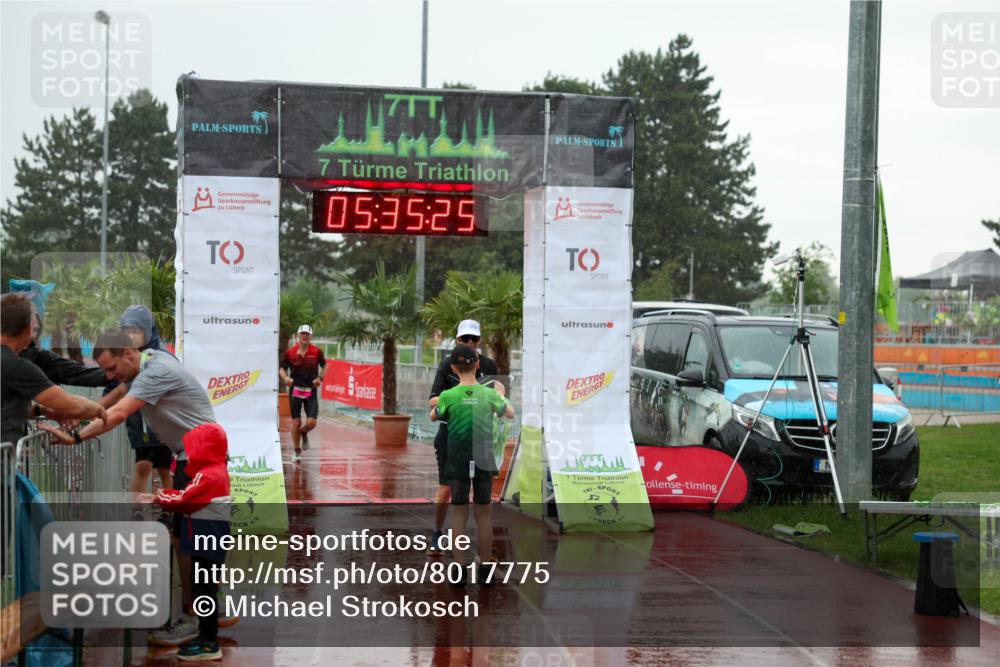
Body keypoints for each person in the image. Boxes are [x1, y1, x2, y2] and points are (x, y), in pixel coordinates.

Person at [38, 329, 228, 648]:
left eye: (111, 368)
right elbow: (113, 397)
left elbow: (119, 412)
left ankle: (195, 618)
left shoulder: (155, 372)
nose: (109, 376)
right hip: (190, 458)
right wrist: (81, 413)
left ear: (128, 353)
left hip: (196, 461)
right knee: (187, 540)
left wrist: (76, 437)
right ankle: (201, 610)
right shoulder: (150, 360)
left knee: (192, 544)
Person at [139, 423, 230, 662]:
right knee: (202, 588)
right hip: (206, 537)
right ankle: (205, 637)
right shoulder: (211, 470)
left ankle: (209, 642)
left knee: (204, 591)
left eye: (195, 448)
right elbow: (187, 496)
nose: (190, 454)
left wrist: (160, 498)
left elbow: (187, 499)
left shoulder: (209, 474)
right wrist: (164, 497)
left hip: (208, 538)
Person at [430, 344, 514, 584]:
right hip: (484, 458)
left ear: (454, 368)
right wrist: (500, 395)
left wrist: (442, 409)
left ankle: (459, 569)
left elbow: (434, 415)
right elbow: (509, 413)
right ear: (478, 364)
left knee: (459, 513)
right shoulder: (489, 395)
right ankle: (486, 567)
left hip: (457, 458)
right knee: (484, 513)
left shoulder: (448, 395)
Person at [427, 319, 500, 554]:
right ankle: (437, 533)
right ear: (457, 340)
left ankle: (484, 553)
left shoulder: (489, 365)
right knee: (446, 489)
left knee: (482, 500)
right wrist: (462, 398)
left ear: (479, 341)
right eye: (464, 339)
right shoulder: (447, 364)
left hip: (480, 437)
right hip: (451, 434)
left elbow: (499, 399)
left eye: (474, 339)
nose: (469, 343)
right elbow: (432, 400)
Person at [1, 293, 106, 445]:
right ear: (28, 329)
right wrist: (99, 409)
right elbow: (71, 405)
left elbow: (6, 408)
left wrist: (43, 411)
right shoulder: (16, 367)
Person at [116, 306, 174, 495]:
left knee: (165, 468)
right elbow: (114, 388)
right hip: (138, 421)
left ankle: (170, 509)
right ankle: (138, 510)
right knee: (143, 466)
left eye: (136, 331)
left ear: (147, 331)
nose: (132, 336)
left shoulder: (164, 357)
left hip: (162, 421)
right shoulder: (122, 357)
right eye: (128, 332)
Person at [279, 324, 326, 463]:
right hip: (295, 390)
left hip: (310, 390)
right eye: (302, 334)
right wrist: (286, 378)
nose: (305, 336)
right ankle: (297, 451)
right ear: (298, 335)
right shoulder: (290, 352)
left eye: (307, 334)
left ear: (311, 336)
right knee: (296, 422)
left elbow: (325, 366)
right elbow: (282, 368)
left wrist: (320, 378)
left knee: (311, 422)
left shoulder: (317, 352)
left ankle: (304, 432)